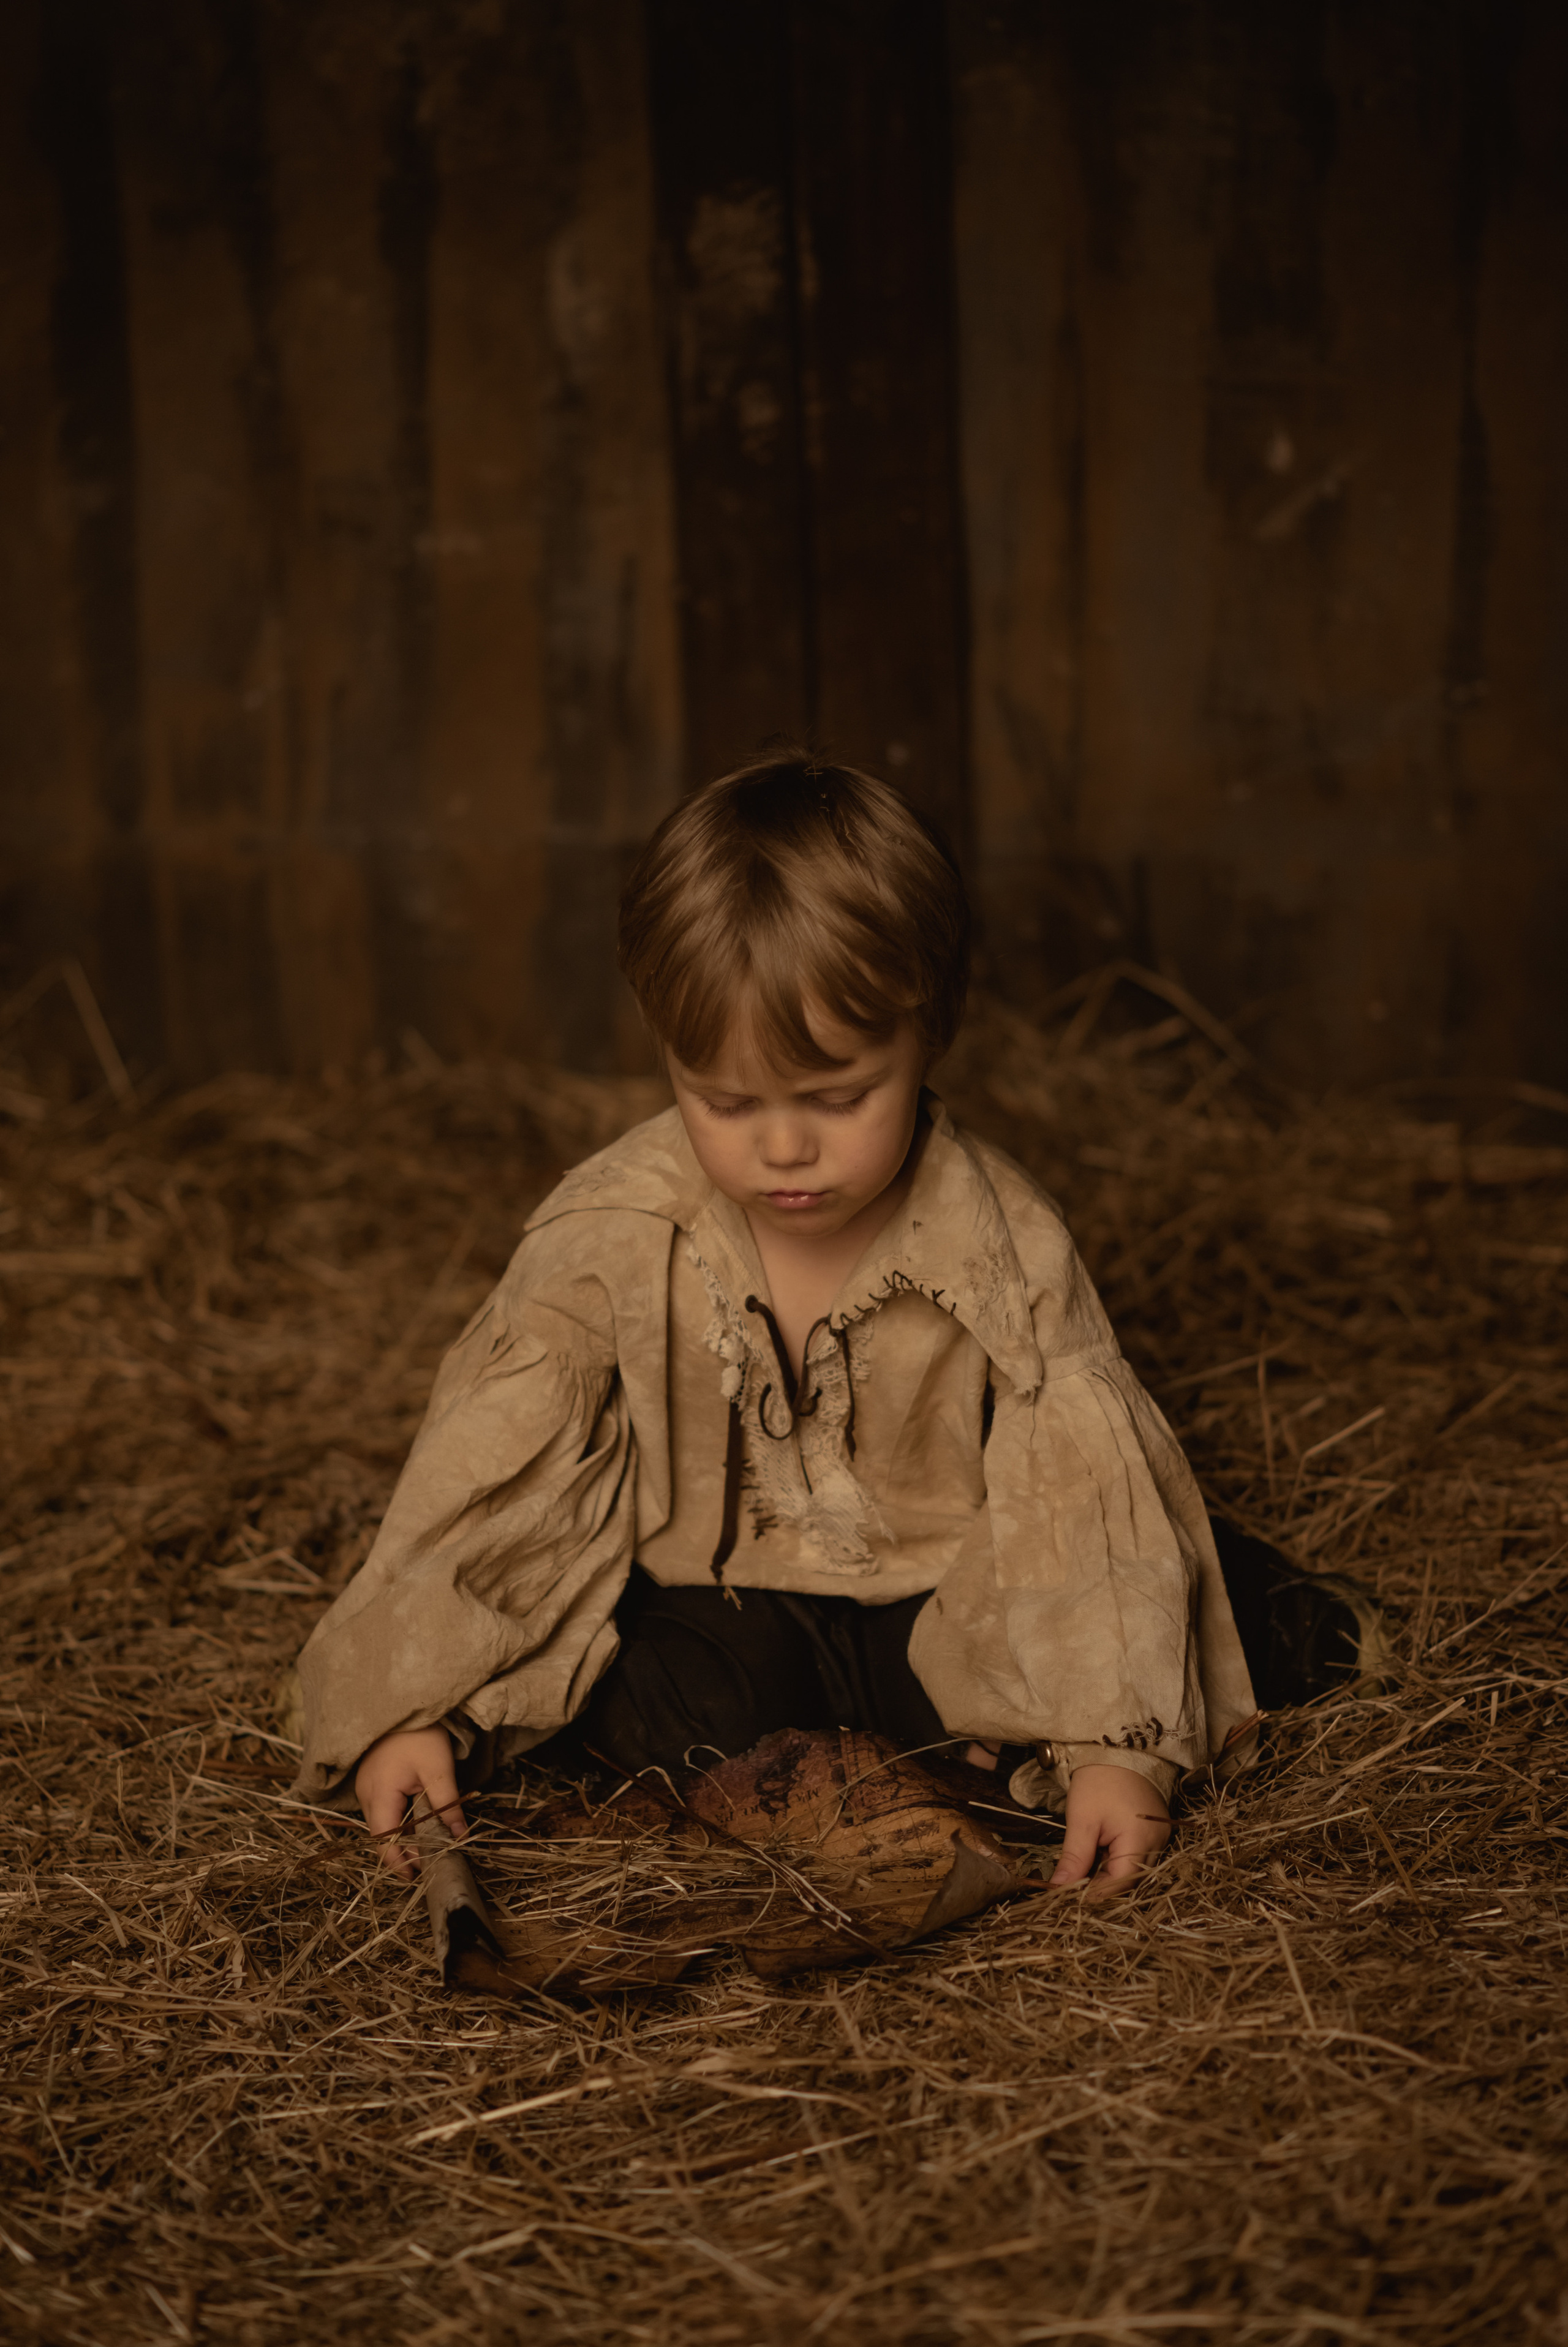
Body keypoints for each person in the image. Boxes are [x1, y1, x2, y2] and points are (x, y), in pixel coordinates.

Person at [292, 753, 1365, 1896]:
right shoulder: (611, 1229)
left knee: (1149, 1623)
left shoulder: (1002, 1243)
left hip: (943, 1591)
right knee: (654, 1700)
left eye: (840, 1097)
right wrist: (423, 1711)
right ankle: (931, 1746)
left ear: (930, 1031)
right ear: (667, 1053)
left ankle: (1194, 1649)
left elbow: (1072, 1484)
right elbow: (494, 1484)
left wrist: (1113, 1744)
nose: (784, 1148)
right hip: (725, 1604)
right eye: (726, 1101)